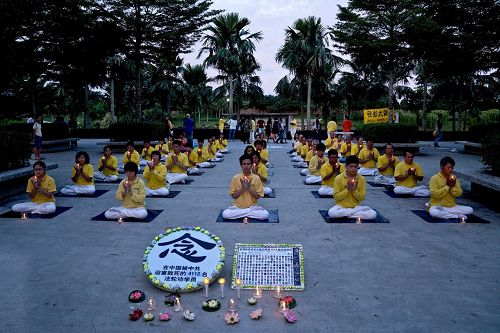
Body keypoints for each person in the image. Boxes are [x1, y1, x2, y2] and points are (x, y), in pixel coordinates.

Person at [328, 155, 377, 220]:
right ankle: (353, 214)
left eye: (355, 167)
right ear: (346, 166)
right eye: (351, 167)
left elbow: (362, 198)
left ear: (358, 167)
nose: (353, 169)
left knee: (373, 214)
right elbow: (336, 197)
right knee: (332, 213)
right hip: (341, 207)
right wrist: (347, 189)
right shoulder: (338, 178)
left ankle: (346, 215)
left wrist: (354, 190)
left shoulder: (362, 179)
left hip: (356, 207)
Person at [222, 154, 269, 220]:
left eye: (248, 164)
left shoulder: (256, 178)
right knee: (225, 214)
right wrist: (243, 188)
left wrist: (249, 188)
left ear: (251, 165)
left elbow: (258, 197)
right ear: (241, 165)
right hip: (238, 207)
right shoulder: (236, 178)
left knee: (265, 215)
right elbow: (234, 196)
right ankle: (247, 214)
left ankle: (243, 214)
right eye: (244, 164)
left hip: (252, 207)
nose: (246, 166)